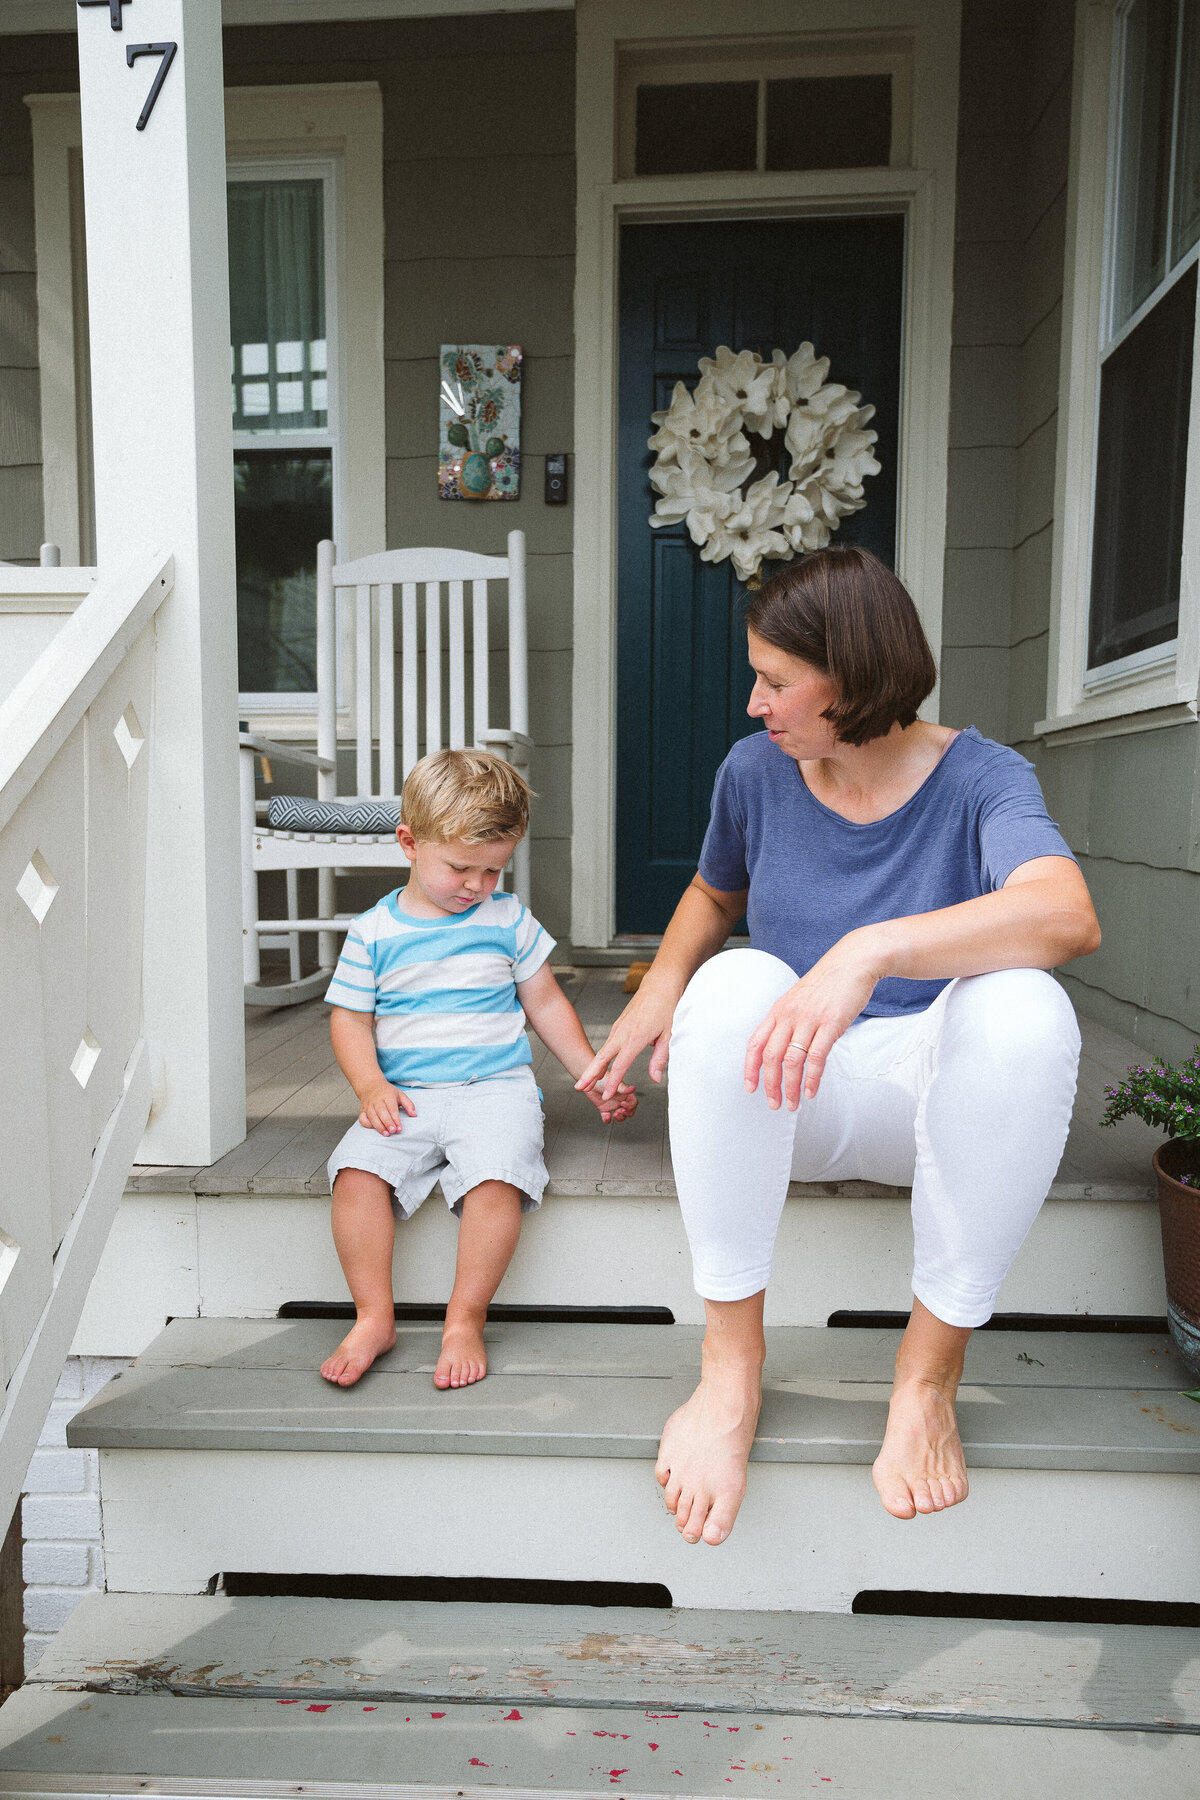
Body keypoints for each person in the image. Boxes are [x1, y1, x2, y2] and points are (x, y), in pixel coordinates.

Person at [578, 546, 1100, 1548]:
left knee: (1029, 1006)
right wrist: (663, 989)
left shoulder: (984, 776)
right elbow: (714, 892)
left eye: (776, 681)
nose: (752, 703)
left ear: (853, 680)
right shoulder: (756, 772)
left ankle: (927, 1379)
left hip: (937, 1108)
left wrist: (873, 948)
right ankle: (730, 1378)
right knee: (734, 980)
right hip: (794, 1101)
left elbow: (1066, 913)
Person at [321, 747, 636, 1391]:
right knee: (356, 1176)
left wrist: (591, 1072)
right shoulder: (374, 932)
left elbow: (544, 1002)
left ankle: (464, 1319)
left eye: (493, 870)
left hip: (495, 1091)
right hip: (403, 1096)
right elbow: (349, 1019)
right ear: (409, 843)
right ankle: (373, 1316)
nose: (477, 886)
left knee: (497, 1181)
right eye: (461, 867)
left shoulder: (507, 920)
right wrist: (369, 1084)